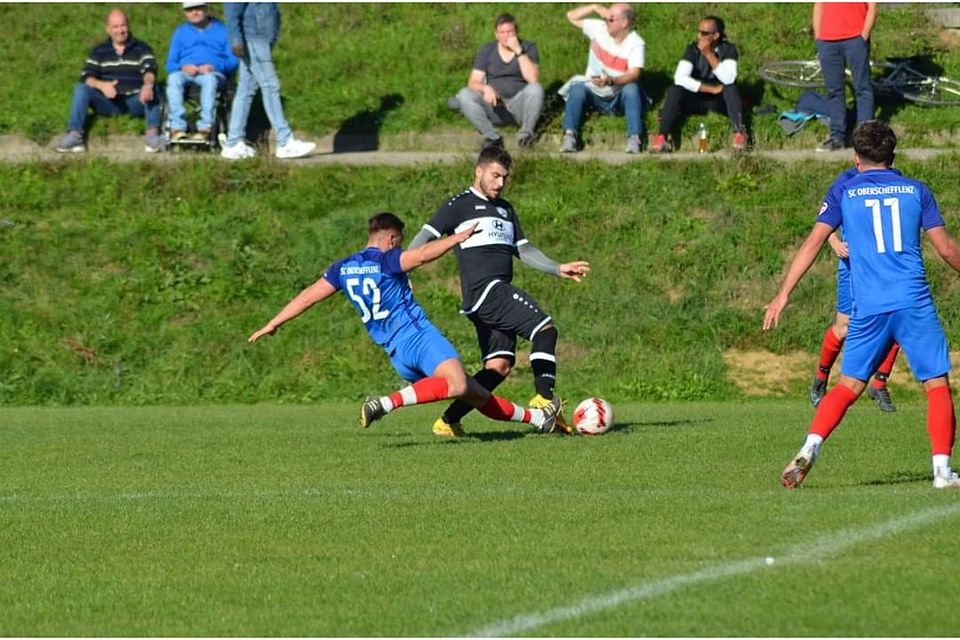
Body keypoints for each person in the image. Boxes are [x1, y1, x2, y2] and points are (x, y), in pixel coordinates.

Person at [764, 120, 960, 490]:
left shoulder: (844, 192)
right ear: (893, 155)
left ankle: (810, 446)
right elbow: (947, 249)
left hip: (868, 307)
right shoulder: (917, 191)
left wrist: (783, 293)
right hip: (912, 301)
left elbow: (813, 242)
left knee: (847, 386)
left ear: (856, 158)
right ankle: (942, 472)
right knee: (936, 384)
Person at [247, 212, 563, 434]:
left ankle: (538, 420)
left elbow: (307, 297)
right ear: (392, 237)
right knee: (457, 384)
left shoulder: (344, 268)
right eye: (398, 242)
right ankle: (385, 403)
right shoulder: (386, 260)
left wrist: (273, 323)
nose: (399, 247)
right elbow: (423, 255)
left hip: (396, 354)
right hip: (418, 338)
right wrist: (458, 237)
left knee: (473, 391)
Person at [408, 146, 591, 437]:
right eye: (495, 175)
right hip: (488, 291)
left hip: (487, 297)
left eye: (504, 177)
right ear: (478, 171)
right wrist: (402, 269)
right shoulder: (459, 204)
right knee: (545, 329)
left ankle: (447, 422)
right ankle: (544, 401)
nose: (500, 183)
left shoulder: (506, 209)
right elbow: (425, 237)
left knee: (499, 366)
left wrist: (557, 268)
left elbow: (525, 250)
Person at [811, 171, 900, 413]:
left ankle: (879, 384)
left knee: (897, 324)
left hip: (885, 269)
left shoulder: (895, 179)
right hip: (853, 268)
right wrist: (836, 243)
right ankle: (820, 379)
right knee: (844, 328)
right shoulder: (845, 181)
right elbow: (824, 220)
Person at [55, 10, 162, 154]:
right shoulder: (99, 51)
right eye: (115, 27)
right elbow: (87, 76)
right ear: (108, 29)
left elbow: (150, 69)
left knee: (155, 87)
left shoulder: (142, 48)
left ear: (128, 26)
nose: (120, 30)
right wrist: (102, 85)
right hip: (107, 103)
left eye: (123, 26)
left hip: (136, 101)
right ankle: (75, 135)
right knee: (81, 89)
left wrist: (147, 85)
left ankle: (152, 136)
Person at [220, 2, 316, 160]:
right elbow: (232, 10)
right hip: (254, 39)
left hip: (261, 38)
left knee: (246, 90)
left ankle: (233, 143)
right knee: (270, 86)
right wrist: (236, 40)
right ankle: (285, 142)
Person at [649, 16, 746, 153]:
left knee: (731, 89)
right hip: (696, 97)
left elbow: (729, 79)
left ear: (716, 36)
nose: (699, 36)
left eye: (704, 33)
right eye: (698, 31)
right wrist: (709, 89)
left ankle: (739, 134)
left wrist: (708, 54)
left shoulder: (728, 50)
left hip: (719, 99)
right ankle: (661, 137)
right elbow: (680, 78)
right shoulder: (692, 50)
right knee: (674, 90)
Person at [559, 3, 646, 154]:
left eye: (611, 18)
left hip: (618, 94)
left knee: (632, 89)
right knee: (577, 88)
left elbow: (634, 74)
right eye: (606, 16)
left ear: (624, 22)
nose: (606, 20)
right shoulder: (599, 28)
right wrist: (594, 7)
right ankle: (569, 136)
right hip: (593, 91)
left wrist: (612, 80)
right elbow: (570, 16)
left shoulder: (636, 43)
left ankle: (634, 138)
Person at [450, 13, 544, 149]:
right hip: (494, 106)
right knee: (465, 94)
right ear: (496, 34)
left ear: (516, 32)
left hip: (519, 106)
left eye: (510, 32)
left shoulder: (528, 48)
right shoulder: (487, 50)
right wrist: (486, 88)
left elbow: (533, 79)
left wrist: (518, 51)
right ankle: (492, 137)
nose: (506, 36)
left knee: (536, 89)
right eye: (502, 32)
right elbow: (473, 82)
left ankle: (525, 136)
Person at [165, 2, 239, 141]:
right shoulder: (180, 32)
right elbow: (170, 64)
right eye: (189, 10)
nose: (194, 12)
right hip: (186, 72)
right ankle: (177, 127)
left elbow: (233, 61)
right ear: (185, 12)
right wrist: (183, 67)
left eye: (197, 8)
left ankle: (206, 127)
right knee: (173, 79)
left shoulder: (223, 30)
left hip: (212, 73)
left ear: (206, 8)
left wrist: (214, 66)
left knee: (209, 80)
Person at [813, 2, 877, 152]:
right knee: (834, 90)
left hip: (855, 38)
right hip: (827, 40)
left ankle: (865, 139)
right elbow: (818, 6)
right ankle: (837, 138)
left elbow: (872, 6)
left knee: (862, 88)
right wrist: (818, 36)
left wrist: (864, 34)